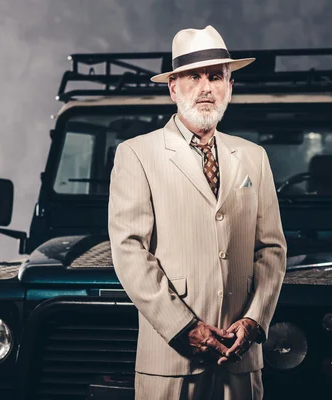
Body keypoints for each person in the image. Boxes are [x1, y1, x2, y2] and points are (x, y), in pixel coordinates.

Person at [108, 25, 287, 400]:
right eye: (194, 76)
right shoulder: (137, 154)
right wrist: (182, 327)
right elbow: (129, 251)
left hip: (241, 359)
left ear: (230, 87)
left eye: (216, 76)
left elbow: (271, 249)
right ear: (174, 87)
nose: (206, 88)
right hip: (171, 359)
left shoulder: (254, 157)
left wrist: (255, 320)